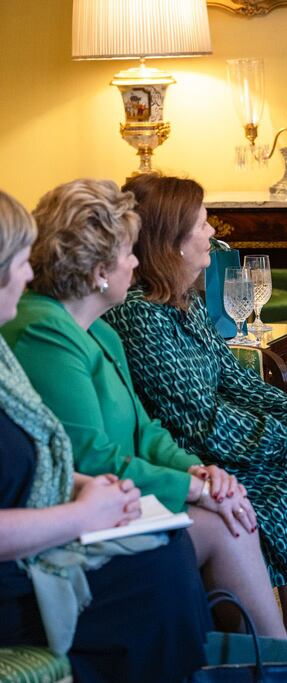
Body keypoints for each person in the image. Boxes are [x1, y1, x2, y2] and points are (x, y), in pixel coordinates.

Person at [104, 173, 287, 683]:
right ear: (171, 241)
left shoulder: (181, 303)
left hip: (225, 443)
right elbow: (205, 421)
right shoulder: (140, 316)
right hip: (196, 453)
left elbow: (238, 382)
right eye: (202, 223)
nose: (212, 233)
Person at [0, 179, 287, 641]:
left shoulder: (100, 330)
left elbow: (145, 429)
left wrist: (197, 471)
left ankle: (281, 658)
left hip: (123, 493)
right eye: (128, 253)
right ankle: (278, 660)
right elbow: (92, 457)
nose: (137, 261)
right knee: (224, 523)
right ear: (99, 271)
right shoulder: (44, 331)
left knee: (228, 510)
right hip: (84, 508)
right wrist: (193, 490)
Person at [0, 188, 210, 682]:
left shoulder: (14, 349)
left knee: (169, 555)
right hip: (18, 575)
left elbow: (51, 456)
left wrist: (89, 489)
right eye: (19, 262)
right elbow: (81, 452)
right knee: (161, 569)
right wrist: (82, 510)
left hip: (39, 546)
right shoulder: (40, 331)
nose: (29, 276)